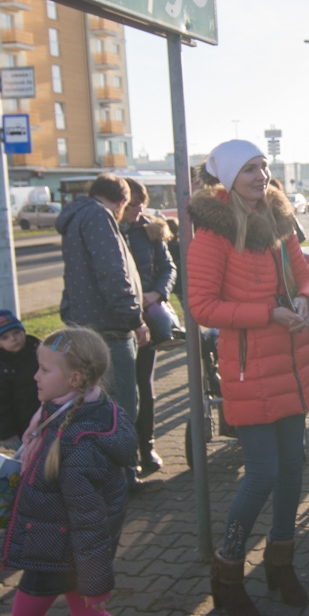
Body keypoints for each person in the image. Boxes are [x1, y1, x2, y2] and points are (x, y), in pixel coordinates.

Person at [0, 327, 182, 616]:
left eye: (44, 369)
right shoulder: (72, 411)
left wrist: (96, 579)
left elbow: (90, 519)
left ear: (75, 379)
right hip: (62, 544)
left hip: (58, 550)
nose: (35, 377)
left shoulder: (78, 442)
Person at [187, 141, 309, 616]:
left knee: (293, 467)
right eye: (249, 169)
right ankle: (227, 571)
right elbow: (201, 307)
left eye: (263, 166)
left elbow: (306, 272)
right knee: (263, 472)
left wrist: (306, 298)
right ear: (228, 177)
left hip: (291, 361)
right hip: (249, 367)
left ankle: (280, 563)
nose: (260, 176)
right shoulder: (213, 233)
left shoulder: (278, 219)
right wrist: (268, 313)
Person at [55, 174, 147, 420]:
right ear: (121, 201)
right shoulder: (99, 215)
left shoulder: (77, 216)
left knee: (93, 406)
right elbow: (112, 272)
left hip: (85, 325)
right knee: (120, 410)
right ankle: (123, 457)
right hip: (111, 329)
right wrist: (134, 319)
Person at [120, 178, 180, 475]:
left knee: (143, 385)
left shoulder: (152, 230)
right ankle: (124, 452)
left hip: (146, 320)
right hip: (117, 324)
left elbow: (169, 268)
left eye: (141, 203)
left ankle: (147, 446)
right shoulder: (106, 231)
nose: (137, 209)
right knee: (120, 389)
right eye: (132, 204)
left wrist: (158, 292)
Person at [0, 309, 41, 451]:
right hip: (24, 427)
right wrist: (7, 434)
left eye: (16, 332)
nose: (13, 339)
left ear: (24, 331)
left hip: (51, 417)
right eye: (5, 337)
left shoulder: (41, 354)